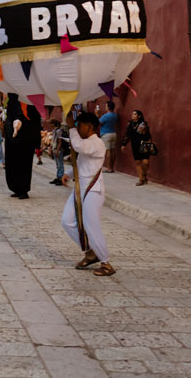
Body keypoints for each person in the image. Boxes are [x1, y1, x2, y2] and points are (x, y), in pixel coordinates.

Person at [61, 112, 114, 276]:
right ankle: (90, 251)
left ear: (89, 126)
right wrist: (69, 174)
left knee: (91, 225)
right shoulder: (86, 143)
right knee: (67, 221)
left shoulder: (97, 143)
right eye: (76, 125)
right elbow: (81, 163)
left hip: (93, 190)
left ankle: (105, 262)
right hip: (79, 187)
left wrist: (70, 127)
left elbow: (79, 147)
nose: (78, 128)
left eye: (80, 125)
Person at [4, 93, 39, 199]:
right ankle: (15, 188)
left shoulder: (31, 101)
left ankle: (23, 190)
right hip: (12, 137)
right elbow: (9, 115)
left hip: (26, 137)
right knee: (12, 163)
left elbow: (35, 121)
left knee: (24, 164)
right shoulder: (12, 99)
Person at [121, 109, 152, 185]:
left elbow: (148, 135)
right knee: (138, 161)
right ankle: (141, 179)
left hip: (144, 144)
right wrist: (124, 144)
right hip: (134, 145)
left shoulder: (143, 124)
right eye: (132, 114)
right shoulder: (130, 124)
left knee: (145, 162)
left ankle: (144, 175)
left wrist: (149, 143)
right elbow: (127, 135)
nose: (132, 115)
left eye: (134, 114)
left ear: (139, 116)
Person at [100, 101, 119, 173]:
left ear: (108, 107)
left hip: (106, 134)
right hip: (113, 133)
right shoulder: (115, 115)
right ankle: (112, 167)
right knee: (113, 150)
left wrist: (97, 115)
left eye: (106, 106)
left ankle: (108, 168)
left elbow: (99, 122)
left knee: (108, 151)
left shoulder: (105, 116)